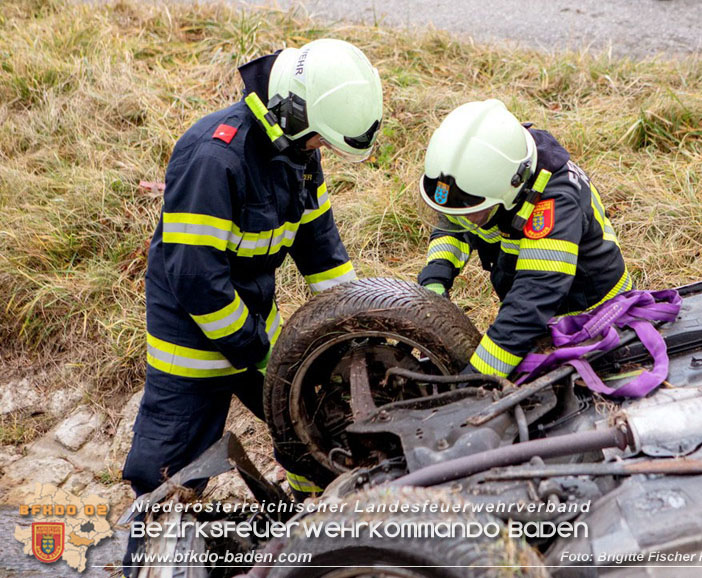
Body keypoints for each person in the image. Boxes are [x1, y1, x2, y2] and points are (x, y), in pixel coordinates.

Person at [122, 37, 382, 548]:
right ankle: (151, 556)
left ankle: (316, 534)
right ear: (291, 112)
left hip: (256, 329)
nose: (322, 150)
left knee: (314, 427)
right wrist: (261, 353)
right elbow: (196, 279)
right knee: (168, 479)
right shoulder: (215, 159)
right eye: (321, 141)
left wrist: (354, 329)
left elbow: (320, 247)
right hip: (192, 346)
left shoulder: (295, 148)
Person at [417, 99, 631, 379]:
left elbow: (533, 299)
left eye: (474, 214)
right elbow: (454, 223)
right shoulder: (487, 172)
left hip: (591, 319)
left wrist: (476, 380)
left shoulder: (555, 203)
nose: (466, 220)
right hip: (537, 310)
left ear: (511, 190)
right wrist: (436, 278)